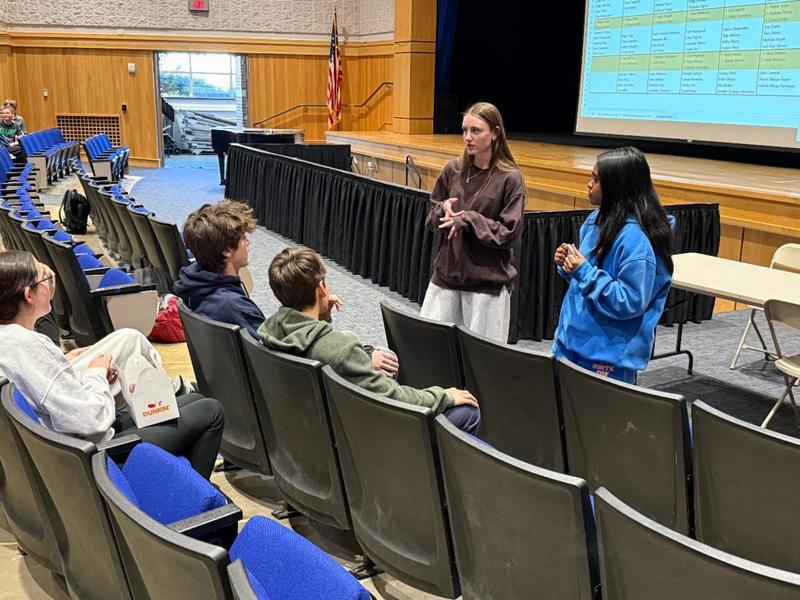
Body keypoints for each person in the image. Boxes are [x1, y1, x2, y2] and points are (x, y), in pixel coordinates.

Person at [0, 251, 225, 478]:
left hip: (73, 444)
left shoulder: (10, 339)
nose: (51, 286)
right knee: (211, 411)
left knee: (195, 401)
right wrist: (97, 374)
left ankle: (174, 480)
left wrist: (70, 365)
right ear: (28, 295)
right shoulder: (28, 345)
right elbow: (90, 420)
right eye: (46, 280)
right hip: (91, 455)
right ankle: (185, 491)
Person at [259, 246, 480, 433]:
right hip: (362, 440)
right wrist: (444, 395)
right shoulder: (340, 350)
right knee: (467, 412)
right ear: (321, 289)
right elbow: (395, 398)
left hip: (307, 430)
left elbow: (311, 339)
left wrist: (323, 315)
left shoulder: (269, 332)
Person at [176, 200, 399, 376]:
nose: (248, 243)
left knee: (348, 338)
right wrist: (363, 360)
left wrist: (319, 314)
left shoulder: (196, 282)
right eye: (243, 238)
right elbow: (283, 359)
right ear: (227, 251)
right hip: (278, 387)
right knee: (378, 357)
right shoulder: (231, 306)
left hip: (233, 377)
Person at [551, 146, 674, 384]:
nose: (589, 184)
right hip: (570, 343)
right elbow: (586, 280)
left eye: (596, 179)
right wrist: (569, 265)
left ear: (617, 187)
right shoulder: (595, 220)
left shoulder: (637, 241)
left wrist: (583, 271)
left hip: (607, 357)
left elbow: (629, 302)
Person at [420, 101, 526, 343]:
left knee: (479, 359)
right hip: (446, 278)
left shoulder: (510, 178)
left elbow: (509, 233)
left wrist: (468, 219)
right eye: (465, 130)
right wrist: (442, 210)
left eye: (476, 130)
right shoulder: (452, 170)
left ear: (495, 133)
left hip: (486, 286)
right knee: (431, 349)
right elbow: (431, 219)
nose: (468, 137)